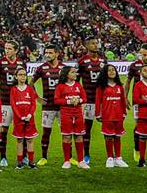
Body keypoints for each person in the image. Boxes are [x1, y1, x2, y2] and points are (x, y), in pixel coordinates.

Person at [77, 37, 106, 165]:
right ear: (87, 45)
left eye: (97, 42)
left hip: (103, 100)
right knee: (87, 128)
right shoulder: (82, 61)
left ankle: (111, 155)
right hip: (88, 100)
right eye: (93, 43)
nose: (96, 45)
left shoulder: (103, 60)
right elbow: (76, 82)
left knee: (108, 127)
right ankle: (86, 154)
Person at [32, 44, 64, 166]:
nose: (47, 55)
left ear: (57, 54)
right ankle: (44, 157)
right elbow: (31, 83)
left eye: (50, 53)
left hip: (62, 107)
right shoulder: (41, 68)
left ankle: (69, 157)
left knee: (66, 133)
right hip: (48, 106)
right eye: (46, 53)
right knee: (46, 132)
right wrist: (37, 97)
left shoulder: (64, 68)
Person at [0, 40, 23, 167]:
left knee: (22, 129)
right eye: (6, 48)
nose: (7, 51)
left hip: (20, 102)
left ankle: (24, 157)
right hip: (5, 101)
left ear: (16, 50)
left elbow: (23, 80)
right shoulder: (0, 63)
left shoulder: (22, 63)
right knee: (3, 130)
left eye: (10, 48)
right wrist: (5, 88)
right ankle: (3, 157)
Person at [55, 66, 89, 169]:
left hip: (78, 113)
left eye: (75, 72)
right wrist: (69, 101)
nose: (75, 74)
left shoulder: (78, 85)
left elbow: (84, 98)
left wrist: (79, 101)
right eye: (73, 72)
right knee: (66, 137)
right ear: (67, 74)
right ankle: (67, 161)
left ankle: (81, 161)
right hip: (66, 114)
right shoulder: (60, 87)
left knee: (79, 136)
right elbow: (56, 100)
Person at [96, 64, 128, 168]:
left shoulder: (119, 86)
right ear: (105, 73)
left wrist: (124, 112)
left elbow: (123, 100)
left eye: (113, 70)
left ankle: (118, 158)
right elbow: (98, 101)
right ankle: (110, 158)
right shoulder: (101, 87)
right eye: (109, 70)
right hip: (107, 115)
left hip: (118, 115)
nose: (111, 72)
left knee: (117, 137)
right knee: (109, 137)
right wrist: (98, 114)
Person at [9, 68, 40, 169]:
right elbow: (13, 105)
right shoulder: (13, 89)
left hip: (29, 118)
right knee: (20, 140)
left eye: (24, 75)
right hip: (19, 120)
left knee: (30, 140)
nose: (23, 77)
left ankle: (31, 161)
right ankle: (19, 162)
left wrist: (30, 115)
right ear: (16, 76)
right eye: (20, 75)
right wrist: (20, 116)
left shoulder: (30, 89)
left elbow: (33, 104)